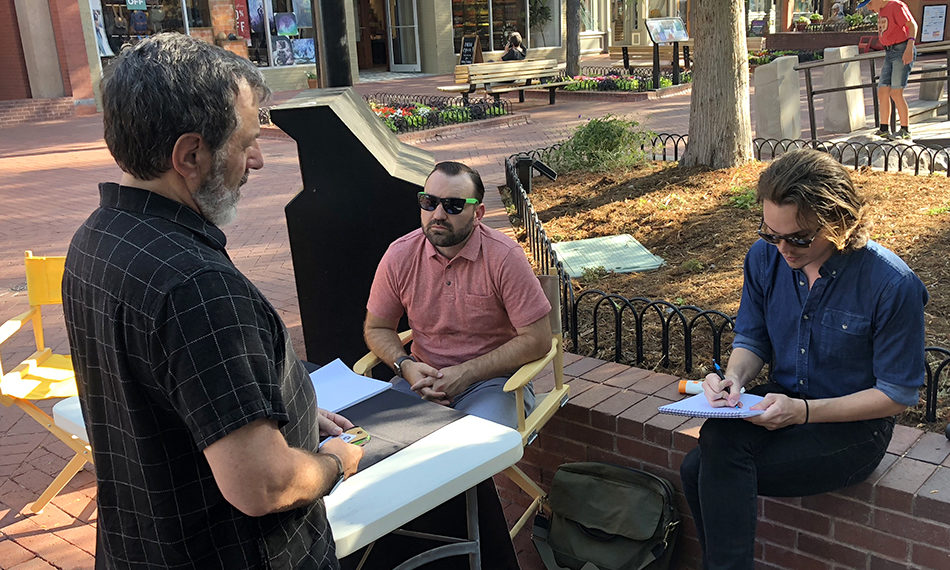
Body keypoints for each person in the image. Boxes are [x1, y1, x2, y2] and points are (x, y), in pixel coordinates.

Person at [62, 33, 363, 569]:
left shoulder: (96, 238)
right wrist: (333, 462)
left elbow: (167, 393)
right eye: (246, 141)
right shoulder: (197, 286)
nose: (259, 160)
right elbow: (262, 486)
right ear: (190, 155)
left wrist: (282, 414)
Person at [679, 149, 927, 570]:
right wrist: (734, 379)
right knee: (711, 450)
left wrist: (805, 412)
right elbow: (753, 338)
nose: (782, 248)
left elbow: (897, 395)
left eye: (797, 238)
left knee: (701, 467)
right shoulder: (764, 259)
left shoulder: (892, 284)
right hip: (783, 402)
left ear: (839, 223)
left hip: (853, 430)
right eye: (770, 233)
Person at [363, 161, 551, 429]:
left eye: (453, 205)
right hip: (420, 382)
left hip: (493, 384)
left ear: (478, 213)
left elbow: (538, 339)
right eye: (429, 202)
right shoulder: (399, 255)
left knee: (472, 448)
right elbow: (378, 327)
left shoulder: (504, 257)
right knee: (372, 442)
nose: (438, 214)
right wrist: (404, 366)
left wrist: (465, 373)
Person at [860, 0, 918, 140]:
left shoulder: (896, 6)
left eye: (869, 3)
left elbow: (912, 25)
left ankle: (905, 129)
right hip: (889, 52)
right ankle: (884, 128)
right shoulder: (881, 10)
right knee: (883, 90)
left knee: (896, 92)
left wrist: (909, 47)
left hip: (901, 49)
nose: (869, 7)